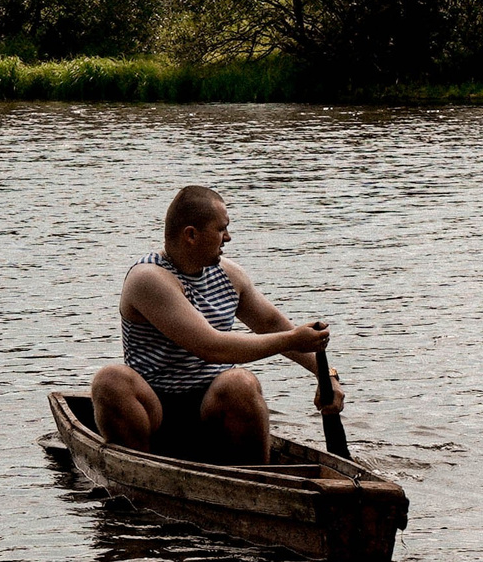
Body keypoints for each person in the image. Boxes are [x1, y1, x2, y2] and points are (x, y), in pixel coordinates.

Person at [92, 184, 343, 463]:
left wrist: (325, 375)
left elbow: (271, 323)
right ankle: (140, 472)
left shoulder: (229, 275)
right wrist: (291, 339)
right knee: (110, 380)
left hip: (209, 409)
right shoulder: (148, 279)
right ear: (191, 235)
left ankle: (258, 481)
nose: (228, 237)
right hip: (154, 412)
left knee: (240, 383)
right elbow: (211, 347)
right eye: (221, 229)